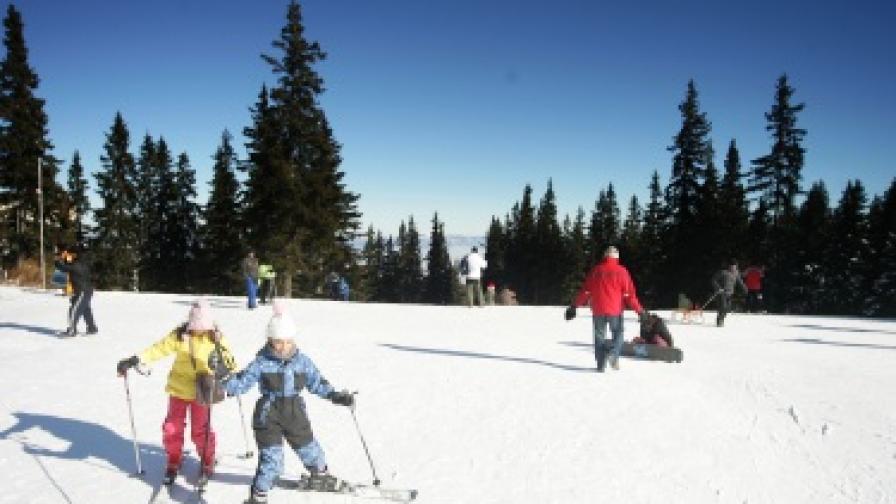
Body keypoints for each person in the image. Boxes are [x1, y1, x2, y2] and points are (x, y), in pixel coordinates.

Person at [222, 301, 355, 504]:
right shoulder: (261, 363)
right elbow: (241, 382)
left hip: (295, 413)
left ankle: (319, 475)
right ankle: (258, 496)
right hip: (268, 415)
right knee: (272, 462)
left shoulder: (302, 362)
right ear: (269, 340)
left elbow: (317, 382)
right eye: (278, 342)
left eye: (288, 341)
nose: (284, 347)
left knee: (310, 448)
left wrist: (336, 396)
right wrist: (223, 379)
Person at [115, 300, 237, 485]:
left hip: (203, 391)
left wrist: (223, 367)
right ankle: (173, 459)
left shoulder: (217, 339)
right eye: (196, 327)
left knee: (200, 430)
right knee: (171, 428)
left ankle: (207, 459)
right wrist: (135, 359)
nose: (198, 331)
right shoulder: (180, 335)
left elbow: (231, 363)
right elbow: (159, 348)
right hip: (178, 389)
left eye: (203, 327)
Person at [565, 246, 644, 372]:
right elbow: (629, 296)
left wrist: (574, 306)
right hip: (615, 310)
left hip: (598, 310)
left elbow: (585, 292)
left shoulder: (596, 270)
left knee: (599, 336)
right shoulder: (622, 272)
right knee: (618, 333)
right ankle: (613, 354)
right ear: (617, 257)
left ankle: (601, 364)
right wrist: (640, 311)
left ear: (605, 256)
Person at [54, 244, 98, 337]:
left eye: (71, 254)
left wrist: (58, 259)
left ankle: (72, 330)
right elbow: (69, 263)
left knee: (74, 310)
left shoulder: (77, 264)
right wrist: (65, 257)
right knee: (85, 309)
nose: (69, 255)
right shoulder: (82, 261)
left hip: (82, 290)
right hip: (85, 290)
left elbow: (63, 267)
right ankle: (92, 328)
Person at [711, 262, 748, 327]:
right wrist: (718, 288)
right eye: (732, 267)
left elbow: (740, 283)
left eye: (734, 267)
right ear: (729, 267)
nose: (733, 268)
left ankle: (720, 318)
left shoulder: (736, 275)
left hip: (730, 294)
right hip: (721, 293)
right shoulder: (722, 272)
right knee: (723, 307)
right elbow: (713, 280)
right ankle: (720, 321)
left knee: (727, 308)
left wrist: (745, 289)